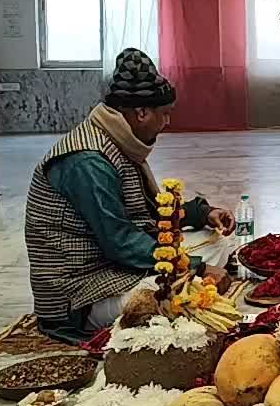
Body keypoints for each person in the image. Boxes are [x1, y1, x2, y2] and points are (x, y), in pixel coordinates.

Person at [24, 49, 237, 344]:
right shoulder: (88, 161)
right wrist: (197, 267)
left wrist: (203, 213)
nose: (167, 122)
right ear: (141, 113)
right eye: (164, 114)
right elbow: (121, 242)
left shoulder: (117, 140)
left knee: (216, 241)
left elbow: (148, 214)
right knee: (164, 292)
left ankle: (190, 277)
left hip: (114, 267)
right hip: (81, 296)